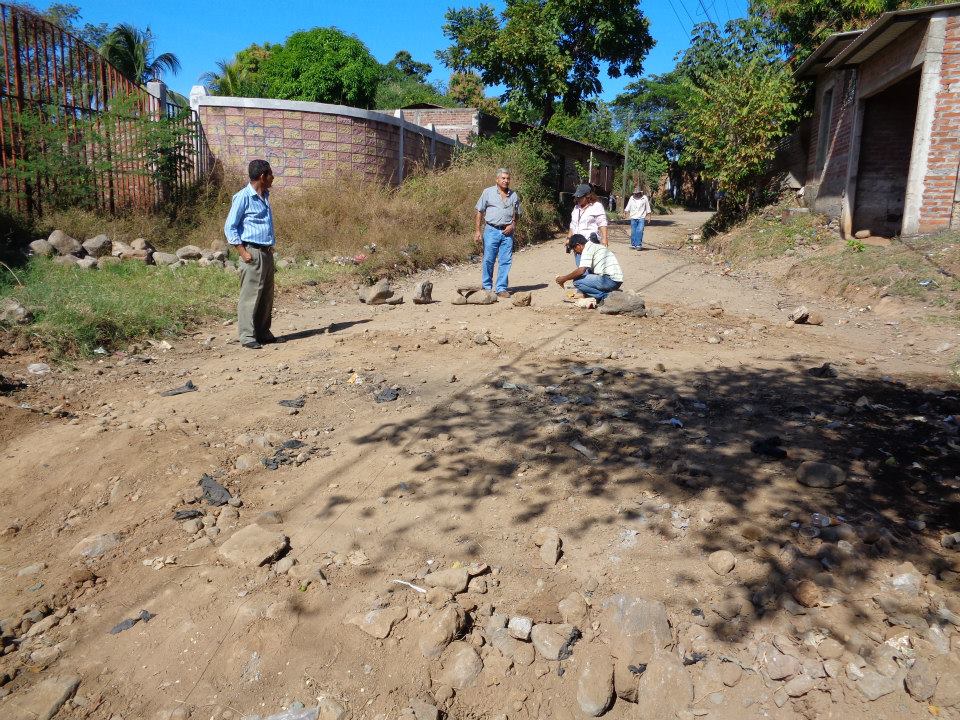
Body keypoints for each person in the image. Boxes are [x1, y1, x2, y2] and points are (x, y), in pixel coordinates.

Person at [224, 159, 277, 350]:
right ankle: (247, 336)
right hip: (252, 252)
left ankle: (263, 332)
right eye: (271, 174)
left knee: (266, 295)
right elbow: (230, 226)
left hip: (266, 252)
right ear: (262, 176)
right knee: (250, 295)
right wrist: (242, 252)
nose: (273, 177)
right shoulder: (243, 197)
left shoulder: (265, 196)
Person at [474, 168, 521, 299]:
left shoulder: (514, 195)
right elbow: (479, 211)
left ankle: (501, 288)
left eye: (508, 178)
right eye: (503, 178)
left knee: (505, 261)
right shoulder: (488, 192)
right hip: (491, 230)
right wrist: (477, 231)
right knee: (488, 259)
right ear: (497, 179)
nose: (506, 181)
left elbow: (517, 214)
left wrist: (513, 225)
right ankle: (487, 287)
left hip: (507, 233)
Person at [555, 234, 623, 302]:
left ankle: (605, 296)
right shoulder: (596, 246)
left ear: (578, 245)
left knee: (577, 281)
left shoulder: (587, 249)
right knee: (589, 272)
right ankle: (606, 293)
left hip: (609, 280)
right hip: (617, 281)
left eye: (575, 250)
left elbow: (581, 271)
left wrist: (564, 279)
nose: (577, 253)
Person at [568, 183, 608, 266]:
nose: (578, 198)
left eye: (580, 197)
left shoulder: (596, 206)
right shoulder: (576, 208)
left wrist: (604, 238)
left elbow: (602, 223)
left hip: (590, 243)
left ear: (588, 196)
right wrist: (568, 238)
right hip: (577, 244)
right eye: (577, 197)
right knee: (580, 266)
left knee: (587, 268)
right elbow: (573, 224)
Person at [624, 186, 651, 250]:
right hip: (633, 217)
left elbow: (648, 207)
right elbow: (628, 206)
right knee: (633, 231)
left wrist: (649, 216)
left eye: (637, 193)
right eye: (635, 193)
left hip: (641, 217)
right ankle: (633, 244)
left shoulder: (644, 198)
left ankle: (638, 245)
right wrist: (625, 213)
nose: (636, 194)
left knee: (640, 230)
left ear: (640, 193)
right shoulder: (632, 198)